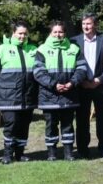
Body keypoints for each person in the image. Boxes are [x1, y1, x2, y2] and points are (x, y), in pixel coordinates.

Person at [33, 21, 90, 161]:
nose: (58, 35)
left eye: (61, 32)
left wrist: (72, 83)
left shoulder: (74, 48)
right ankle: (52, 153)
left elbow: (82, 69)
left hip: (69, 94)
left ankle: (68, 153)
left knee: (67, 125)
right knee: (51, 125)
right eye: (55, 32)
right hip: (49, 95)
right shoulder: (42, 49)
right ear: (50, 33)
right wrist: (54, 85)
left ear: (65, 33)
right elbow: (38, 72)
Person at [0, 22, 37, 164]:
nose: (22, 36)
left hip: (28, 96)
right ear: (13, 33)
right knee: (11, 125)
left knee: (24, 125)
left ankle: (20, 154)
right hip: (7, 97)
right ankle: (7, 154)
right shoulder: (1, 50)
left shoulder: (33, 50)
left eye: (25, 33)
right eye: (20, 33)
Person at [75, 13, 103, 160]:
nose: (86, 27)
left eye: (89, 24)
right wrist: (81, 81)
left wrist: (99, 80)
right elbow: (72, 64)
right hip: (82, 86)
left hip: (101, 86)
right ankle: (82, 149)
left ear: (95, 25)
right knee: (82, 119)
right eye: (84, 24)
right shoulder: (74, 41)